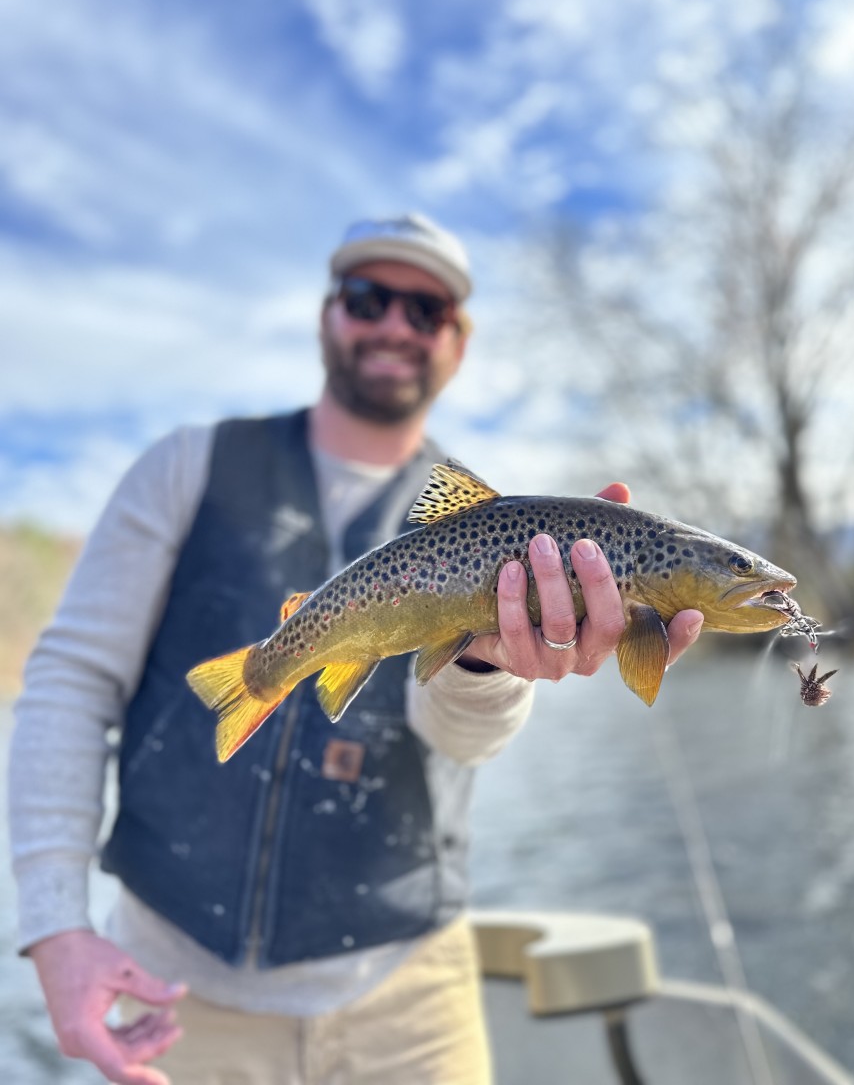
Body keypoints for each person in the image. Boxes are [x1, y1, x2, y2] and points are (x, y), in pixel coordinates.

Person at [9, 212, 703, 1085]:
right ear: (329, 313)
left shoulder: (506, 526)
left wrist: (487, 663)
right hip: (178, 995)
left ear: (458, 340)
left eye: (426, 309)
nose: (394, 326)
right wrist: (52, 921)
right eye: (370, 298)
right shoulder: (185, 468)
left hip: (414, 1008)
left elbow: (460, 740)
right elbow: (70, 684)